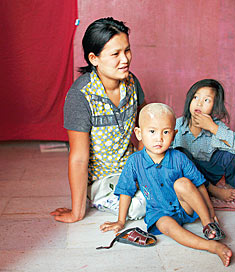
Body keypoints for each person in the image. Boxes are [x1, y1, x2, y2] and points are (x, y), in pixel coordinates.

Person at [100, 103, 232, 267]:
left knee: (183, 183)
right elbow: (126, 191)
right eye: (152, 131)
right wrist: (120, 221)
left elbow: (199, 185)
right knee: (165, 226)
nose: (159, 138)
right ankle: (212, 246)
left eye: (166, 132)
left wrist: (210, 214)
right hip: (159, 212)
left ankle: (208, 226)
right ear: (139, 134)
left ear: (174, 134)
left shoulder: (179, 157)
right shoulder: (134, 162)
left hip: (185, 206)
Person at [50, 17, 146, 223]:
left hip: (130, 168)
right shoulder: (80, 96)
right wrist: (77, 212)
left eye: (127, 50)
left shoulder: (132, 82)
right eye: (115, 54)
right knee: (137, 209)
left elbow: (145, 127)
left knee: (179, 177)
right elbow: (78, 158)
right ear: (94, 58)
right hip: (102, 179)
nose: (125, 59)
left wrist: (143, 168)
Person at [172, 79, 235, 201]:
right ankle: (213, 190)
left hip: (209, 172)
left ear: (214, 106)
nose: (199, 103)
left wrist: (212, 128)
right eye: (195, 98)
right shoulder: (178, 124)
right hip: (187, 174)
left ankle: (234, 185)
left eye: (206, 100)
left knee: (233, 153)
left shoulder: (215, 125)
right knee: (179, 153)